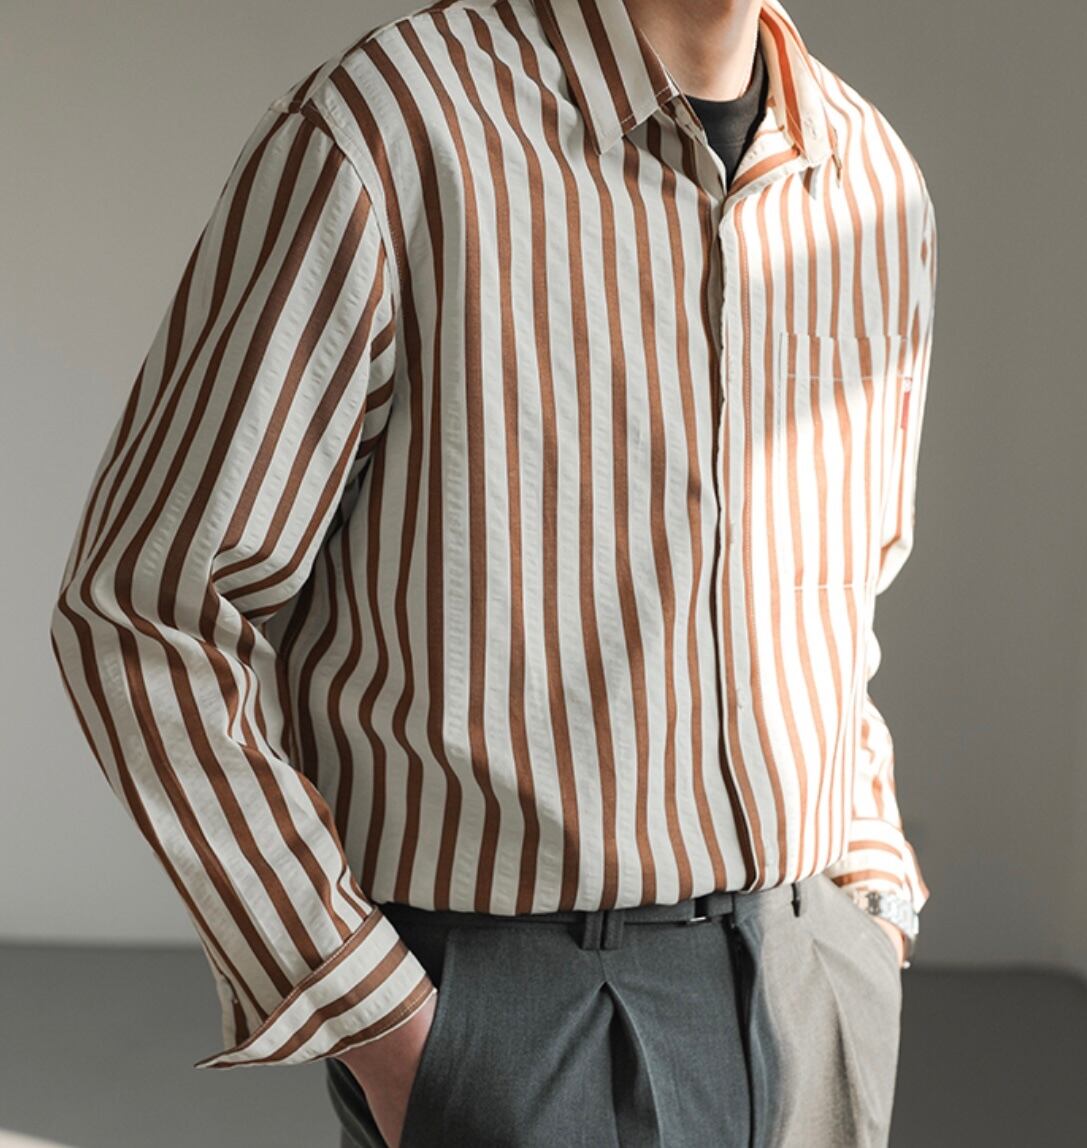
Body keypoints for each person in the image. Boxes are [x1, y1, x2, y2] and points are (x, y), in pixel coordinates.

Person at [48, 0, 937, 1144]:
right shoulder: (395, 125)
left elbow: (841, 597)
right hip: (525, 1012)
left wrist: (871, 903)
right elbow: (145, 606)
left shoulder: (873, 184)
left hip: (815, 973)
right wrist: (380, 1015)